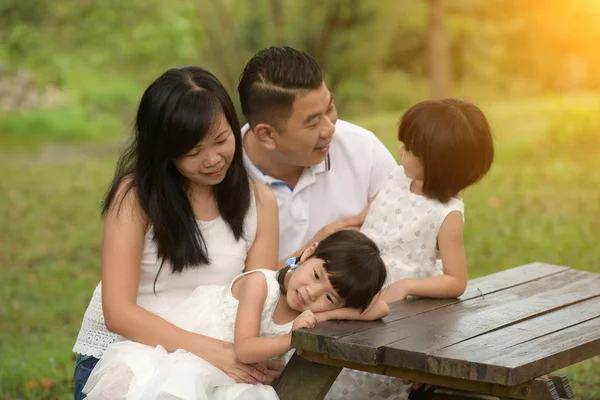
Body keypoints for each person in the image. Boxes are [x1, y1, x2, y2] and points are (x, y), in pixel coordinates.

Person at [72, 66, 282, 400]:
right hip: (126, 356)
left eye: (221, 140)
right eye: (193, 152)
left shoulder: (260, 202)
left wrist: (261, 353)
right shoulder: (136, 198)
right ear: (164, 151)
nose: (212, 159)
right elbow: (118, 312)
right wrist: (211, 351)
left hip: (217, 356)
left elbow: (260, 298)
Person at [319, 98, 495, 400]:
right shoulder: (397, 177)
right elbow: (368, 218)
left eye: (410, 149)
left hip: (399, 312)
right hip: (360, 279)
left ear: (436, 162)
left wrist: (406, 285)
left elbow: (456, 280)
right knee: (331, 353)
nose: (400, 151)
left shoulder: (447, 214)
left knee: (368, 377)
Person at [81, 230, 389, 400]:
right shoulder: (260, 284)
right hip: (190, 354)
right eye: (317, 275)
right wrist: (292, 336)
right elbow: (244, 349)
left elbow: (380, 307)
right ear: (308, 253)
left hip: (228, 376)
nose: (312, 293)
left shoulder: (313, 312)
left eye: (329, 297)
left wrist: (326, 315)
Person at [238, 46, 397, 263]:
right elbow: (234, 287)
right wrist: (316, 248)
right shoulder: (223, 178)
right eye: (313, 123)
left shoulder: (363, 149)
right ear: (266, 135)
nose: (330, 128)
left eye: (330, 108)